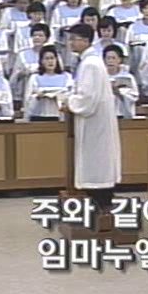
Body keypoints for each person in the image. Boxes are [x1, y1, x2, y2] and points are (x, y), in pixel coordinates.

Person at [62, 23, 122, 209]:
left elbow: (87, 98)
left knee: (97, 163)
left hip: (95, 123)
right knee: (96, 162)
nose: (71, 43)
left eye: (74, 39)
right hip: (95, 121)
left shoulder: (91, 64)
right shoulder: (89, 61)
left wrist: (69, 102)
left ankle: (102, 205)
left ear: (86, 41)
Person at [23, 45, 73, 121]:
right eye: (47, 58)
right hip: (39, 116)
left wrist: (60, 96)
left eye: (52, 58)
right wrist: (37, 96)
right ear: (41, 61)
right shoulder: (34, 78)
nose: (50, 61)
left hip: (60, 116)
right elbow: (27, 100)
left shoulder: (67, 77)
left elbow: (71, 95)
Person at [9, 23, 50, 102]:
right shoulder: (22, 55)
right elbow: (14, 77)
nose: (37, 38)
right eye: (34, 35)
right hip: (26, 92)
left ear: (46, 38)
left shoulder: (52, 55)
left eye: (40, 36)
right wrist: (23, 73)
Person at [125, 0, 148, 85]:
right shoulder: (134, 26)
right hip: (137, 55)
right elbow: (128, 44)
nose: (147, 11)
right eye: (145, 8)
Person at [104, 45, 139, 119]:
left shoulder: (128, 77)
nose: (110, 61)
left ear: (119, 60)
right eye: (108, 58)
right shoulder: (101, 77)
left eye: (113, 58)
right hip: (105, 114)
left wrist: (120, 93)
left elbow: (134, 96)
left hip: (122, 113)